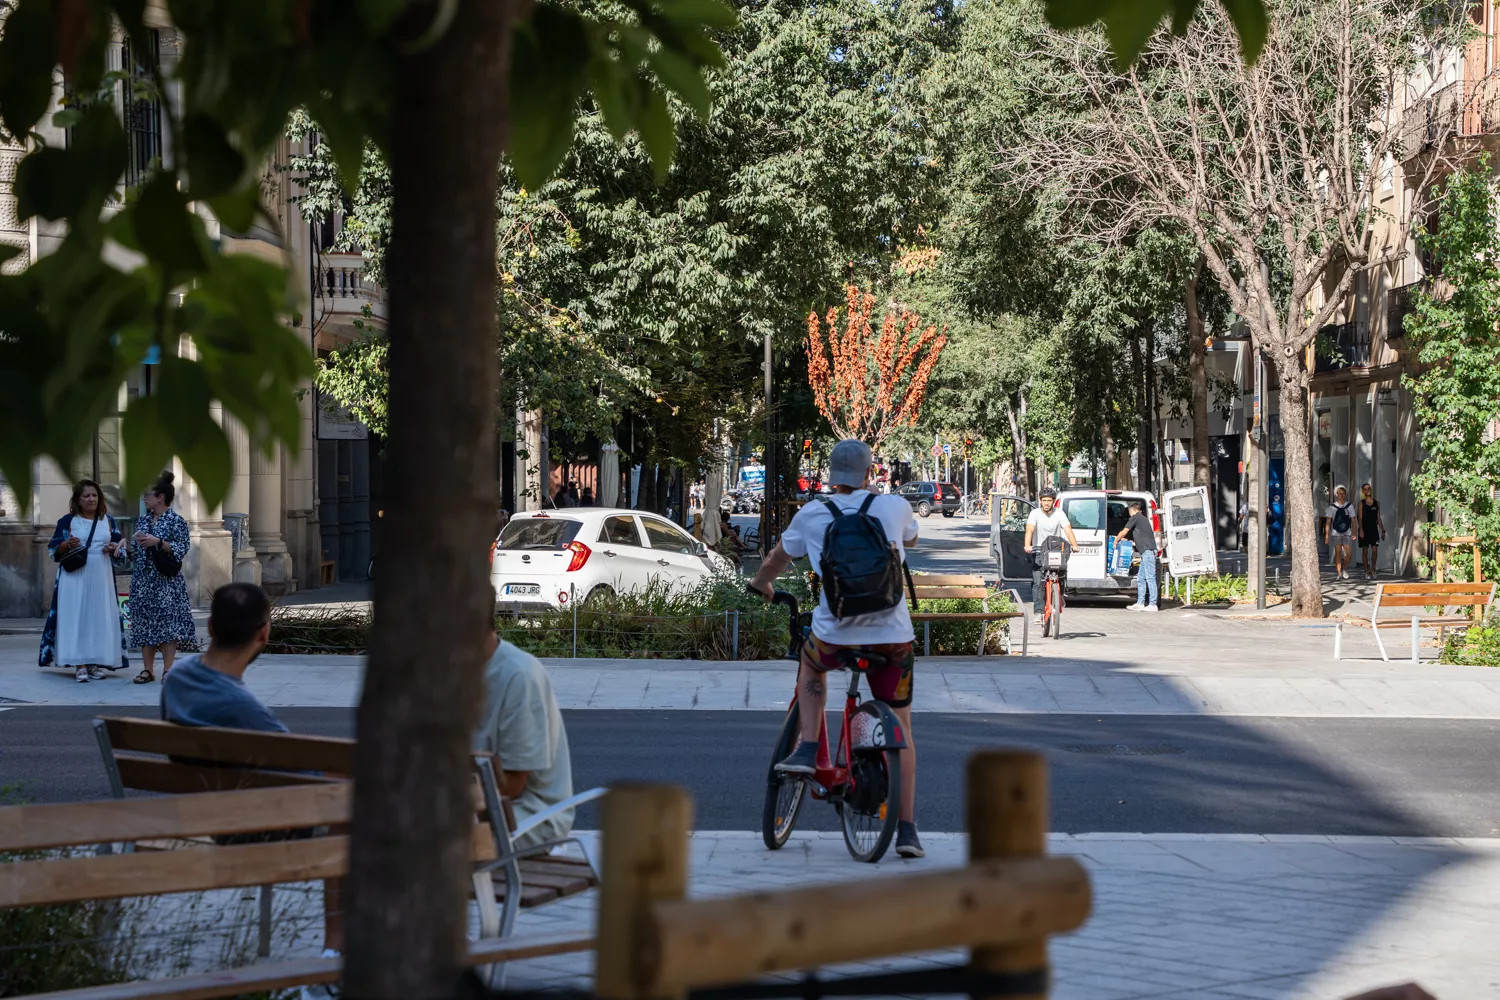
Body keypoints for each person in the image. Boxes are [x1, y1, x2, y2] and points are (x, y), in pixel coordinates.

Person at [748, 438, 925, 859]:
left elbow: (777, 558)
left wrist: (761, 584)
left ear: (831, 476)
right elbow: (912, 542)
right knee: (903, 729)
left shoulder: (812, 514)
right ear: (869, 473)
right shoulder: (895, 506)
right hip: (893, 638)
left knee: (812, 665)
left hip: (835, 635)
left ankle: (809, 745)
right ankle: (906, 830)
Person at [161, 583, 343, 980]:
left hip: (203, 816)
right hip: (246, 830)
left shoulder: (177, 679)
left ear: (209, 628)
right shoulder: (242, 709)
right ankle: (335, 950)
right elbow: (308, 779)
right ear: (264, 633)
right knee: (348, 806)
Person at [474, 630, 575, 852]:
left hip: (534, 815)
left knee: (435, 845)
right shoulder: (459, 673)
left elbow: (512, 785)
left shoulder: (518, 675)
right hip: (489, 810)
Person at [39, 479, 129, 682]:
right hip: (75, 576)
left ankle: (94, 663)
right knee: (77, 616)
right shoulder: (68, 521)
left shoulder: (109, 520)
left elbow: (120, 551)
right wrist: (66, 544)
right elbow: (53, 549)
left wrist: (113, 548)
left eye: (95, 495)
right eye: (86, 496)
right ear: (78, 500)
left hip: (101, 575)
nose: (91, 499)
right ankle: (80, 664)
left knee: (98, 617)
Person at [129, 471, 196, 683]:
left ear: (160, 497)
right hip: (143, 580)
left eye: (148, 494)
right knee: (144, 623)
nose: (144, 497)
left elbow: (182, 547)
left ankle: (168, 670)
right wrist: (122, 545)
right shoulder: (143, 520)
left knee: (169, 625)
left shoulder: (176, 521)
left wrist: (158, 542)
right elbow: (134, 549)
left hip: (166, 581)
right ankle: (148, 670)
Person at [1023, 487, 1080, 618]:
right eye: (1044, 500)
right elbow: (1030, 530)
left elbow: (1068, 530)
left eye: (1049, 500)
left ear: (1053, 501)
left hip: (1055, 550)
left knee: (1061, 574)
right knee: (1038, 582)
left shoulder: (1059, 513)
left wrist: (1075, 545)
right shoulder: (1035, 514)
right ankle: (1038, 612)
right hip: (1038, 550)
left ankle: (1058, 596)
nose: (1047, 503)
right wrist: (1027, 545)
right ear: (1040, 501)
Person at [1115, 500, 1160, 611]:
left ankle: (1153, 604)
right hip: (1146, 552)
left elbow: (1124, 531)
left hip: (1148, 552)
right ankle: (1140, 603)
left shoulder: (1135, 517)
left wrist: (1116, 540)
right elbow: (1142, 538)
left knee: (1150, 578)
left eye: (1129, 511)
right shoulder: (1143, 520)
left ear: (1132, 510)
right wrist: (1130, 542)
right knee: (1141, 578)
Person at [1325, 485, 1356, 580]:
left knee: (1349, 553)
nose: (1341, 495)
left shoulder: (1350, 506)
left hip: (1347, 533)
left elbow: (1354, 520)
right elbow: (1328, 521)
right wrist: (1327, 535)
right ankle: (1339, 573)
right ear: (1336, 495)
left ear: (1345, 494)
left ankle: (1345, 569)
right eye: (1339, 493)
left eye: (1343, 493)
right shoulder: (1332, 507)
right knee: (1338, 553)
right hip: (1336, 533)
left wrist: (1355, 533)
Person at [1357, 482, 1386, 580]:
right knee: (1365, 550)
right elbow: (1360, 518)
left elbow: (1378, 518)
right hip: (1364, 529)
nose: (1367, 490)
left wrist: (1383, 530)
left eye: (1368, 488)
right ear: (1363, 491)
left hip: (1374, 530)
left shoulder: (1376, 503)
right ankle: (1367, 571)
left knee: (1374, 550)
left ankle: (1373, 568)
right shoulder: (1361, 503)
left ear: (1371, 490)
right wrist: (1361, 529)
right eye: (1365, 489)